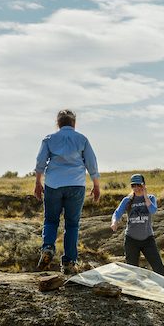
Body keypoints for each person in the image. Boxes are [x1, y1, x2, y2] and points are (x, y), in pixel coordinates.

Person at [33, 109, 101, 274]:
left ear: (58, 123)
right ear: (74, 123)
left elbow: (40, 161)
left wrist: (37, 182)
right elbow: (91, 164)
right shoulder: (82, 139)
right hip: (76, 185)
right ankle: (69, 262)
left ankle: (48, 247)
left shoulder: (49, 139)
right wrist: (96, 185)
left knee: (50, 220)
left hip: (53, 184)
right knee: (72, 224)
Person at [111, 174, 164, 276]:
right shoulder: (127, 200)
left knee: (159, 268)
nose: (136, 188)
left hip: (148, 239)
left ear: (143, 185)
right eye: (133, 185)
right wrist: (114, 222)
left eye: (138, 185)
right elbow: (117, 212)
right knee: (132, 271)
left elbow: (153, 210)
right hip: (131, 240)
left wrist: (145, 195)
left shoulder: (151, 198)